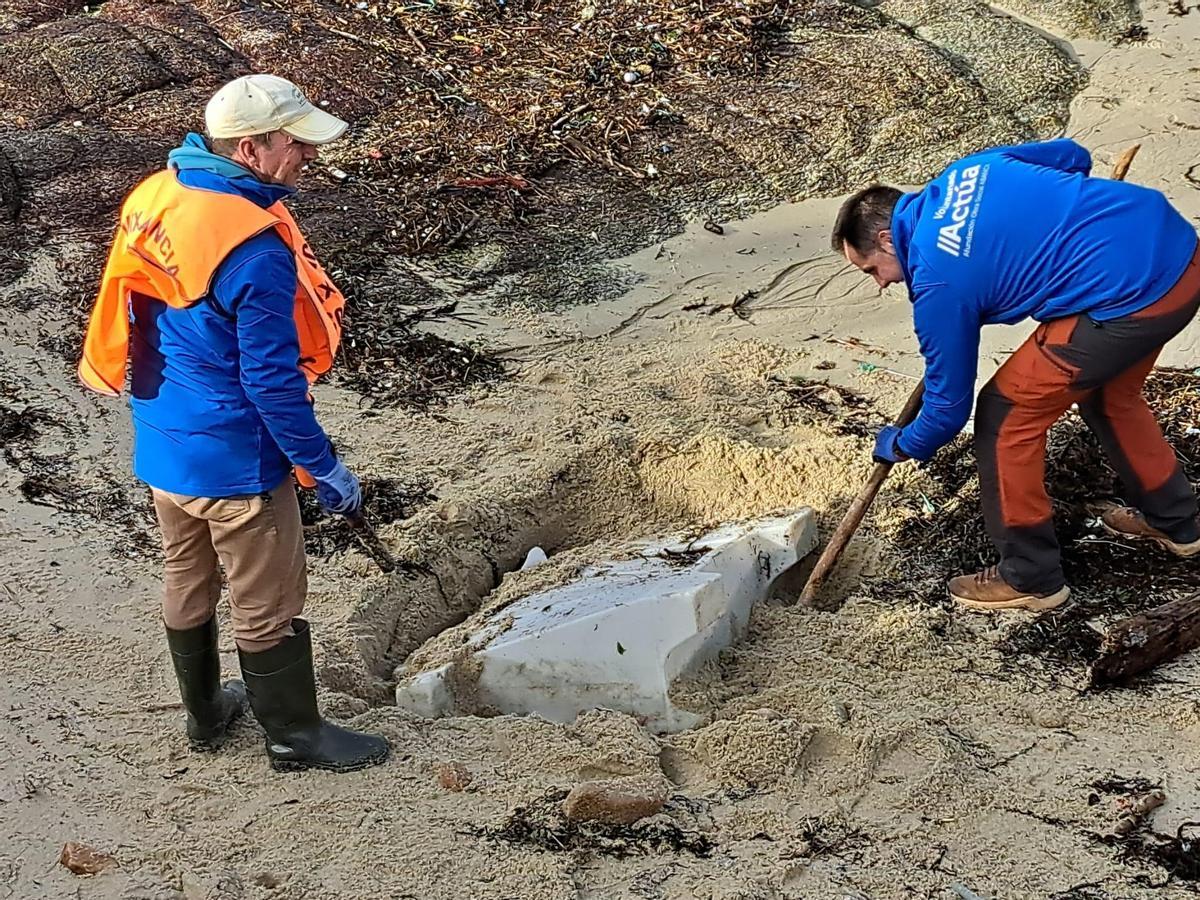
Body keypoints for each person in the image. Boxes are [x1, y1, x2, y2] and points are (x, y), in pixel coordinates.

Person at [79, 74, 389, 771]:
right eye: (296, 142)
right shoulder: (255, 251)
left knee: (187, 575)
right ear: (250, 148)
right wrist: (321, 466)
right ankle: (294, 737)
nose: (308, 155)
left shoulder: (157, 195)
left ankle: (206, 715)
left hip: (164, 439)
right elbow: (271, 385)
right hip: (236, 459)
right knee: (265, 600)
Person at [832, 138, 1200, 612]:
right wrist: (1052, 225)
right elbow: (1073, 156)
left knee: (1005, 415)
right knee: (1109, 397)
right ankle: (1178, 523)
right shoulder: (970, 168)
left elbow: (947, 411)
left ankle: (1030, 577)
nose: (882, 283)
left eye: (871, 270)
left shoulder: (938, 283)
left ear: (887, 239)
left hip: (1131, 299)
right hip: (1179, 255)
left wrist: (903, 444)